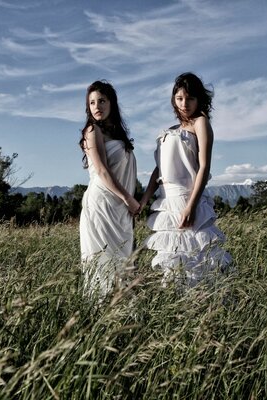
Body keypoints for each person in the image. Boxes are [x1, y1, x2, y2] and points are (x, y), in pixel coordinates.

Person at [139, 72, 232, 287]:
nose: (184, 103)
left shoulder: (200, 122)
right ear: (174, 99)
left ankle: (205, 305)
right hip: (166, 201)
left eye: (190, 98)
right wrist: (144, 198)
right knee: (173, 263)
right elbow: (158, 169)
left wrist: (191, 206)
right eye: (179, 98)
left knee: (197, 260)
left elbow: (204, 167)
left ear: (199, 99)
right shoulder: (169, 131)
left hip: (187, 197)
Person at [79, 80, 139, 299]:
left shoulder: (118, 135)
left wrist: (128, 202)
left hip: (120, 207)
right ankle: (100, 315)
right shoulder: (91, 130)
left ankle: (122, 315)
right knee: (103, 261)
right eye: (92, 102)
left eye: (102, 101)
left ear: (112, 103)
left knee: (123, 262)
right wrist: (128, 200)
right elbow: (103, 172)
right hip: (102, 203)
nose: (97, 106)